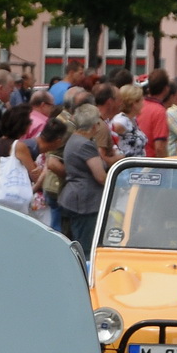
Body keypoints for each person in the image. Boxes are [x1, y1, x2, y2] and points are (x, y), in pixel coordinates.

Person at [58, 105, 111, 256]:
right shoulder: (85, 145)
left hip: (75, 198)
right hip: (85, 201)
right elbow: (101, 177)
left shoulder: (74, 139)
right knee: (85, 248)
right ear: (94, 126)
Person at [136, 69, 171, 158]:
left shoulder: (139, 104)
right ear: (166, 88)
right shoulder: (159, 111)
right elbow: (160, 147)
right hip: (150, 164)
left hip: (135, 161)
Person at [109, 84, 147, 158]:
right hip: (128, 166)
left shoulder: (132, 119)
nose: (143, 104)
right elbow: (112, 138)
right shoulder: (121, 121)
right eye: (141, 100)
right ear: (134, 103)